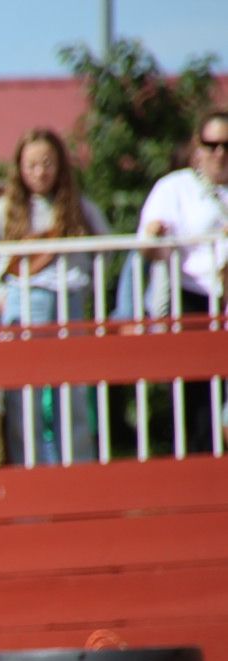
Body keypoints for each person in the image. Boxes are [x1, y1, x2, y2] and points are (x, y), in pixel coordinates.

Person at [0, 127, 109, 465]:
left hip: (68, 300)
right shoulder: (5, 209)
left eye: (47, 163)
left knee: (70, 391)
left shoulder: (77, 207)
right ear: (19, 169)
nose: (40, 172)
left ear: (60, 165)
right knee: (23, 392)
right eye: (32, 165)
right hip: (24, 302)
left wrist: (88, 281)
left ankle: (76, 470)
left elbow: (105, 248)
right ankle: (29, 470)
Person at [135, 110, 228, 452]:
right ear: (198, 146)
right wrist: (155, 235)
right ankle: (204, 475)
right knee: (199, 397)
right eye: (212, 144)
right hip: (193, 298)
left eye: (227, 145)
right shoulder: (176, 187)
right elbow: (147, 245)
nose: (220, 153)